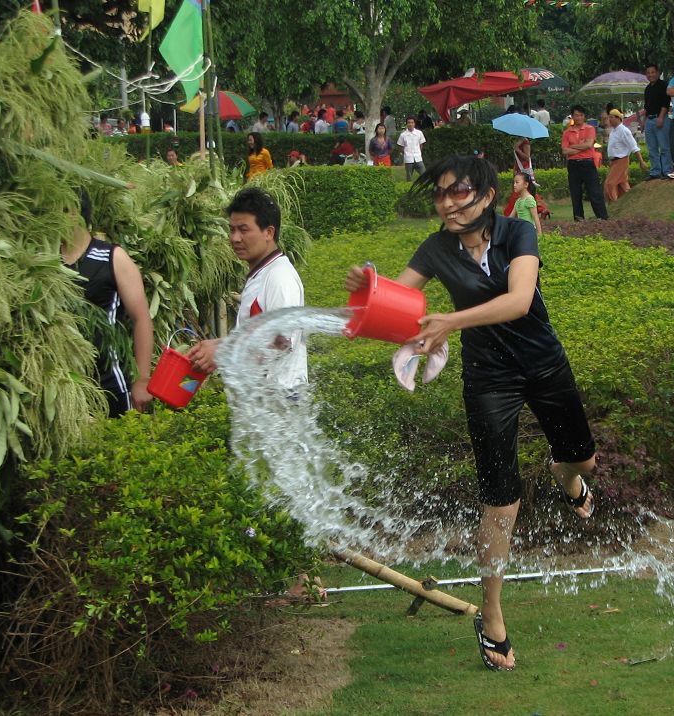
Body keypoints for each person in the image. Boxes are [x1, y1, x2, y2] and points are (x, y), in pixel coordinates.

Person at [343, 156, 596, 672]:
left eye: (459, 193)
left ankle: (567, 478)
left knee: (582, 461)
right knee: (500, 501)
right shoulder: (436, 247)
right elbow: (401, 296)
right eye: (440, 195)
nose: (448, 203)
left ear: (485, 196)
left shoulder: (517, 232)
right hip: (488, 378)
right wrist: (366, 290)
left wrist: (451, 321)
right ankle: (493, 613)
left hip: (543, 362)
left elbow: (520, 300)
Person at [186, 187, 306, 390]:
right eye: (232, 229)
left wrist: (225, 349)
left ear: (268, 232)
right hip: (263, 402)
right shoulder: (261, 273)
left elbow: (282, 341)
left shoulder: (280, 277)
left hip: (282, 401)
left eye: (243, 229)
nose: (235, 238)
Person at [62, 191, 153, 418]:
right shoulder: (46, 261)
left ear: (76, 213)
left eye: (61, 209)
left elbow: (141, 318)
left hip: (110, 382)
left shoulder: (111, 257)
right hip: (66, 388)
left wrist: (142, 379)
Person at [561, 105, 608, 221]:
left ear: (584, 116)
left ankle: (603, 219)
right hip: (573, 165)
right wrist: (582, 147)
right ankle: (579, 220)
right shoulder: (567, 133)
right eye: (576, 115)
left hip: (587, 163)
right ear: (572, 116)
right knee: (575, 194)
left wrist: (573, 147)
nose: (579, 118)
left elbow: (588, 144)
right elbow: (564, 150)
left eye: (581, 115)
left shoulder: (589, 129)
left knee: (595, 192)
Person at [604, 109, 648, 202]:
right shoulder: (613, 131)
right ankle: (628, 205)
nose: (609, 120)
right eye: (609, 118)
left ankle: (613, 206)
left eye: (611, 117)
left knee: (609, 184)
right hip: (615, 162)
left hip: (621, 161)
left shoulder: (624, 131)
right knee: (622, 185)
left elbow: (634, 147)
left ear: (618, 118)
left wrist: (641, 162)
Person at [642, 63, 674, 180]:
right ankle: (655, 171)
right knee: (652, 148)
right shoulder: (647, 89)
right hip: (649, 120)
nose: (651, 75)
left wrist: (661, 117)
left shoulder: (663, 85)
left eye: (653, 72)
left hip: (661, 118)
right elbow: (647, 106)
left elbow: (665, 104)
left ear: (657, 73)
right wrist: (643, 121)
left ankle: (667, 170)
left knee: (664, 146)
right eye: (648, 73)